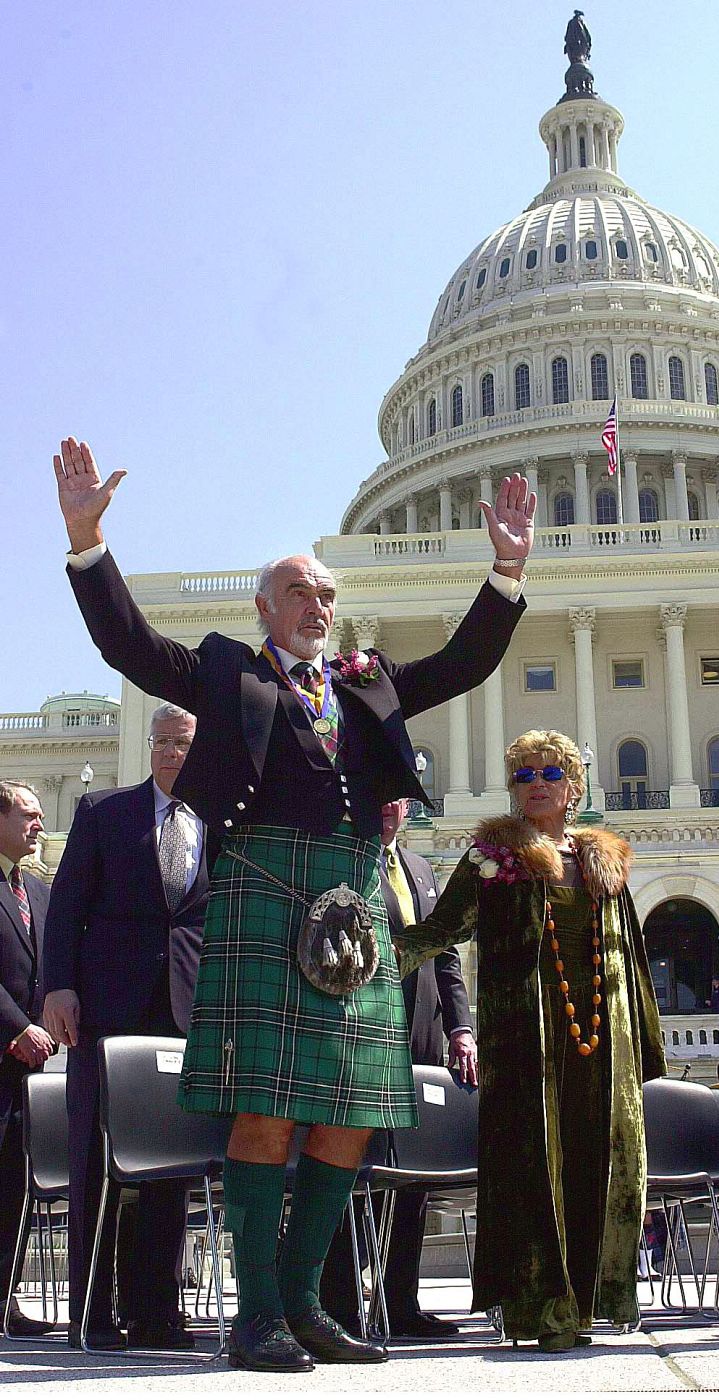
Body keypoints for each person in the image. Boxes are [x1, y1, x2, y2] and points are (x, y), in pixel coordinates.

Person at [52, 435, 534, 1372]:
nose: (318, 605)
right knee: (266, 1113)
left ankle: (308, 1302)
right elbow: (131, 645)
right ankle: (257, 1312)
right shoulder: (228, 674)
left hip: (352, 907)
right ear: (266, 606)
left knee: (351, 1111)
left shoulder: (366, 688)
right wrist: (87, 546)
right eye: (301, 593)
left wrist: (506, 572)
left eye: (326, 594)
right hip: (266, 897)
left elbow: (462, 665)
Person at [394, 729, 666, 1351]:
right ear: (513, 790)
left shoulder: (605, 859)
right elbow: (440, 931)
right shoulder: (491, 857)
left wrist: (646, 1046)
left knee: (600, 1161)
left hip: (603, 1044)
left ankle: (595, 1300)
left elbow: (632, 954)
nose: (537, 783)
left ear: (573, 786)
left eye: (550, 773)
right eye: (524, 775)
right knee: (532, 1164)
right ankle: (541, 1307)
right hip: (525, 1040)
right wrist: (372, 958)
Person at [41, 704, 209, 1351]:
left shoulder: (220, 825)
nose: (172, 753)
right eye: (162, 742)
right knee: (94, 1161)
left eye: (183, 743)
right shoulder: (102, 813)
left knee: (170, 1165)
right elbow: (67, 909)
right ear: (149, 748)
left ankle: (156, 1312)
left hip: (185, 1014)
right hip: (106, 1011)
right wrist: (59, 986)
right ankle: (92, 1311)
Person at [320, 798, 477, 1339]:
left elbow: (447, 953)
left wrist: (461, 1027)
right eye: (378, 794)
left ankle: (400, 1299)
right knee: (348, 1163)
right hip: (361, 1033)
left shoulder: (419, 867)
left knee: (413, 1172)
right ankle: (338, 1300)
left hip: (424, 1036)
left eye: (398, 798)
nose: (387, 806)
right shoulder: (341, 862)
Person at [0, 782, 55, 1337]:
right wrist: (18, 1028)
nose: (38, 825)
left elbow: (46, 969)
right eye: (28, 815)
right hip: (6, 1048)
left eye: (42, 816)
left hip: (27, 1073)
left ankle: (4, 1297)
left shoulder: (36, 892)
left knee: (14, 1184)